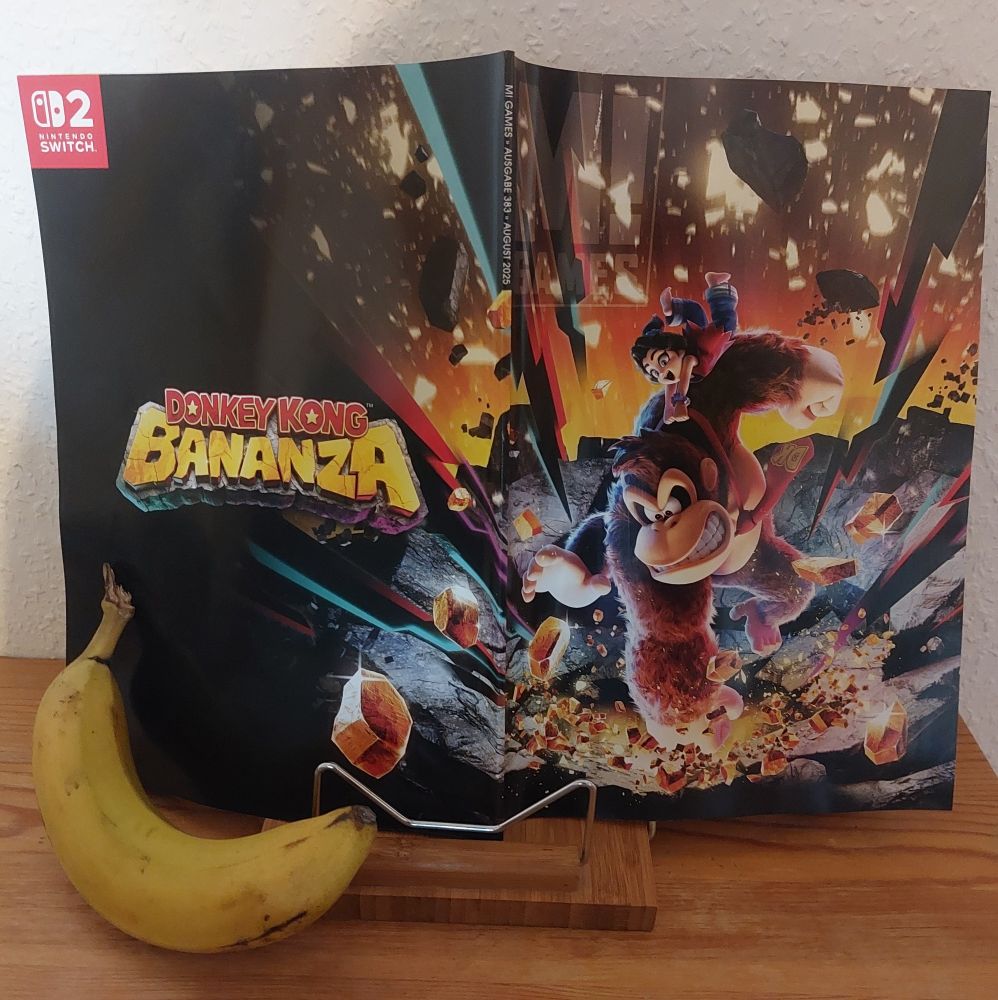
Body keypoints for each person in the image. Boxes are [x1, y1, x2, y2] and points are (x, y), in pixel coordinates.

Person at [629, 271, 739, 423]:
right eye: (654, 372)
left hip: (709, 344)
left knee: (727, 322)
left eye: (663, 361)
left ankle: (710, 289)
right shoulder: (672, 374)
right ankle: (674, 308)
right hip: (698, 341)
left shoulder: (688, 360)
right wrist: (668, 409)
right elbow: (671, 385)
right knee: (696, 312)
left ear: (676, 349)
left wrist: (680, 404)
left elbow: (683, 383)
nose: (662, 373)